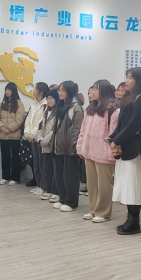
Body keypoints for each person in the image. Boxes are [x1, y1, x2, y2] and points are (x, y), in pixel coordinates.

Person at [108, 67, 141, 235]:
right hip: (125, 146)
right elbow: (122, 123)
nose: (127, 81)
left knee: (133, 184)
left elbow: (134, 125)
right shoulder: (129, 97)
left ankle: (134, 221)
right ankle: (130, 217)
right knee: (126, 184)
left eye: (130, 78)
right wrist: (112, 138)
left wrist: (117, 140)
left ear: (139, 80)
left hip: (135, 148)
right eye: (126, 77)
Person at [77, 80, 119, 223]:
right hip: (89, 151)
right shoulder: (90, 109)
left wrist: (110, 153)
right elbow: (83, 130)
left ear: (104, 91)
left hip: (103, 153)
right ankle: (93, 209)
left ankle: (103, 212)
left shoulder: (112, 110)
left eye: (95, 89)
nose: (92, 92)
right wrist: (80, 147)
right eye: (92, 89)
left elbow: (113, 134)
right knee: (92, 184)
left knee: (104, 184)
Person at [52, 81, 84, 212]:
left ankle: (72, 202)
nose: (59, 93)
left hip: (70, 148)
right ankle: (63, 198)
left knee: (70, 176)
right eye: (59, 90)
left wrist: (73, 146)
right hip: (58, 147)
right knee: (59, 175)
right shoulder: (61, 106)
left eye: (62, 90)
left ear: (69, 92)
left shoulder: (76, 108)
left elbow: (77, 129)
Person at [0, 83, 26, 186]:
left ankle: (15, 177)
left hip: (14, 135)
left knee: (16, 157)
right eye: (6, 90)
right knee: (5, 156)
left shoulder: (19, 104)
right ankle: (5, 177)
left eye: (9, 90)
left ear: (14, 91)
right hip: (3, 135)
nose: (7, 92)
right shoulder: (2, 104)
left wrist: (10, 129)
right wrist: (1, 127)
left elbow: (19, 119)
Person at [23, 82, 49, 194]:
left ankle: (44, 186)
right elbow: (28, 120)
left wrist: (32, 135)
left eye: (35, 89)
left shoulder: (46, 104)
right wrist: (27, 134)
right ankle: (39, 185)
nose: (33, 91)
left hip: (39, 137)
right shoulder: (34, 103)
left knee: (43, 164)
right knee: (36, 163)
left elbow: (41, 122)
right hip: (32, 138)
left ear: (41, 91)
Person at [37, 89, 59, 201]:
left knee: (55, 170)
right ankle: (48, 190)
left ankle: (55, 191)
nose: (49, 101)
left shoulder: (58, 112)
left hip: (53, 145)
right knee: (47, 169)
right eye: (48, 99)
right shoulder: (45, 112)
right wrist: (40, 139)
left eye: (51, 98)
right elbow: (41, 128)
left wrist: (45, 140)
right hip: (44, 146)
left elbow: (54, 130)